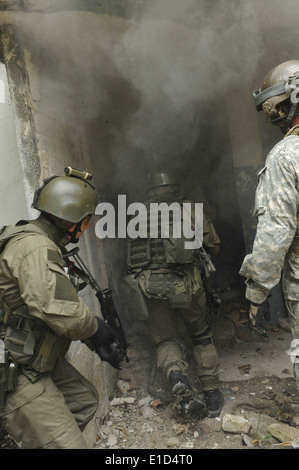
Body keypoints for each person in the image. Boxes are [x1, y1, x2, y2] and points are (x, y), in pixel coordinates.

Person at [0, 167, 123, 449]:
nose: (89, 226)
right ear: (71, 218)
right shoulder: (36, 248)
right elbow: (57, 310)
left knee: (84, 400)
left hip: (33, 358)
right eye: (87, 219)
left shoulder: (36, 240)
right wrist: (95, 329)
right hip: (15, 369)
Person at [126, 171, 224, 418]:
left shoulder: (137, 213)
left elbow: (131, 257)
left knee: (166, 340)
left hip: (151, 288)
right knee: (202, 336)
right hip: (188, 284)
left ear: (150, 191)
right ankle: (212, 397)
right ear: (173, 186)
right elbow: (213, 245)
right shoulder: (190, 208)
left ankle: (178, 380)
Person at [239, 60, 299, 381]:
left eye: (274, 106)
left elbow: (277, 232)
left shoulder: (285, 155)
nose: (271, 116)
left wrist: (257, 292)